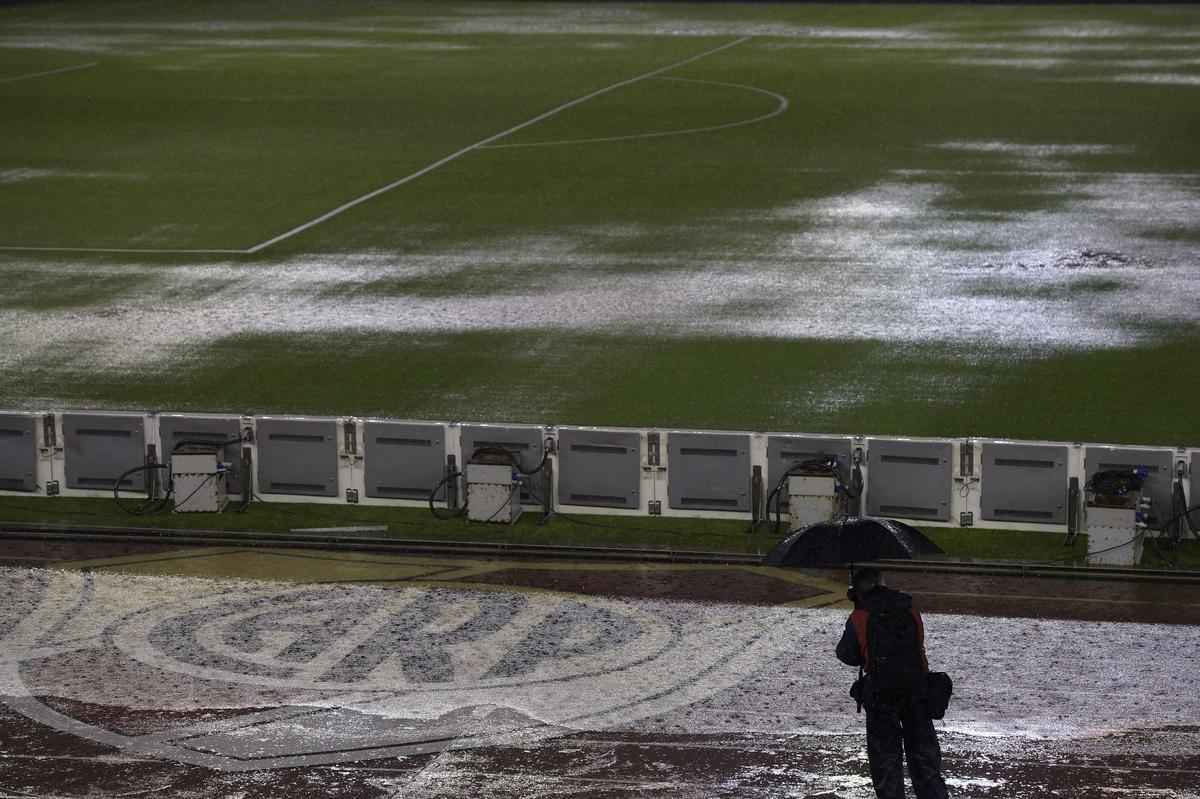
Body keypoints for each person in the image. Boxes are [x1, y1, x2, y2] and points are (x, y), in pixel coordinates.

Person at [836, 567, 948, 799]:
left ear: (856, 589)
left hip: (880, 693)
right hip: (917, 689)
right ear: (882, 582)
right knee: (924, 759)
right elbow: (918, 643)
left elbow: (847, 654)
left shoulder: (860, 615)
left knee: (885, 760)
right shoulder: (909, 608)